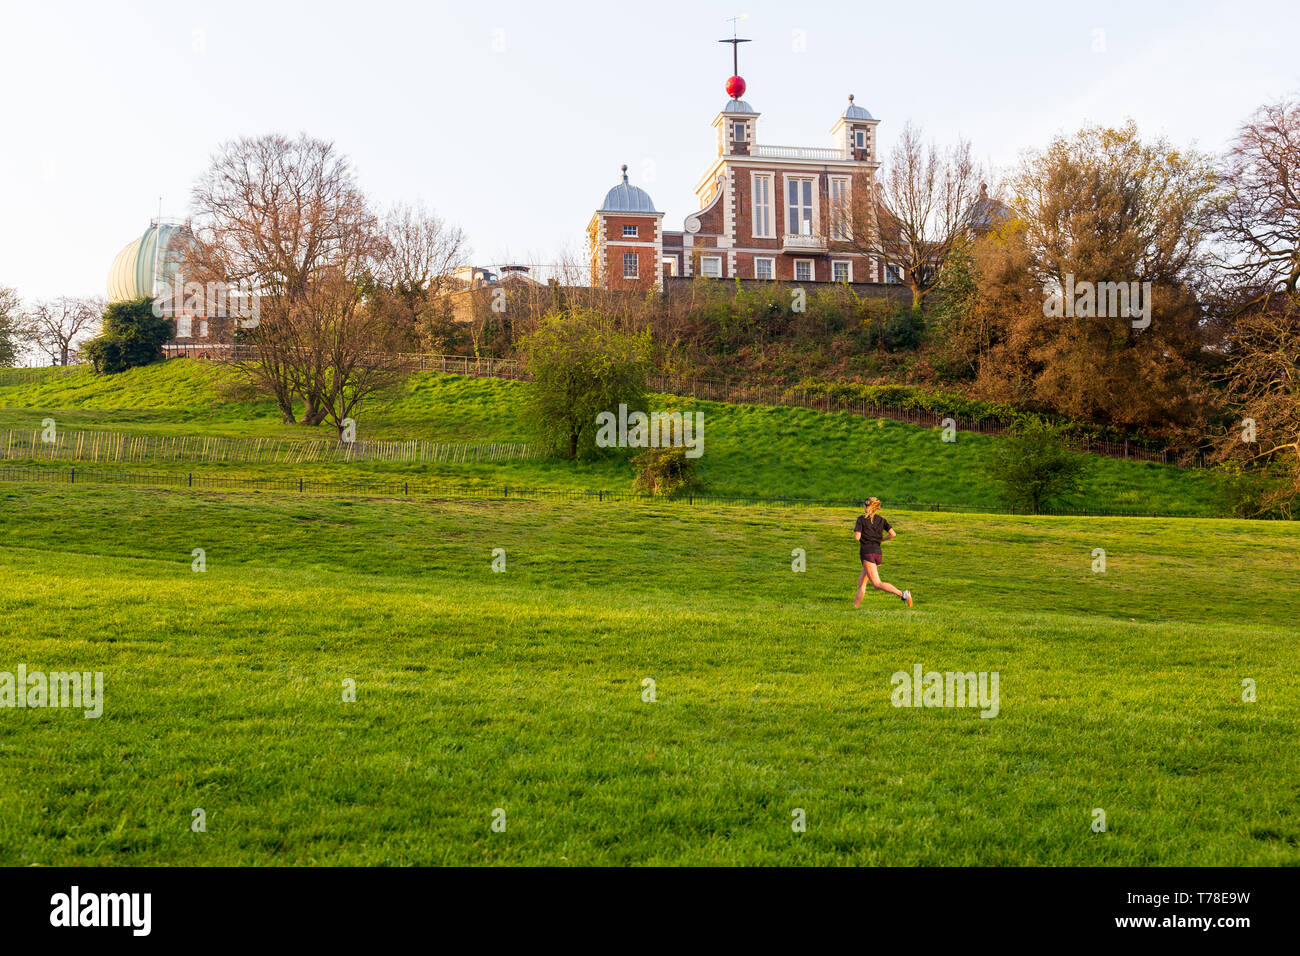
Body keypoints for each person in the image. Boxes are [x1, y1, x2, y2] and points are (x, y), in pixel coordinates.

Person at [853, 497, 912, 608]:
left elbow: (857, 537)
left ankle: (903, 594)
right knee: (861, 583)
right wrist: (881, 540)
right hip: (877, 553)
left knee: (876, 583)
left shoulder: (861, 519)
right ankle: (855, 607)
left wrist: (859, 535)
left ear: (866, 506)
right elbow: (893, 534)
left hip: (867, 553)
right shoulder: (881, 520)